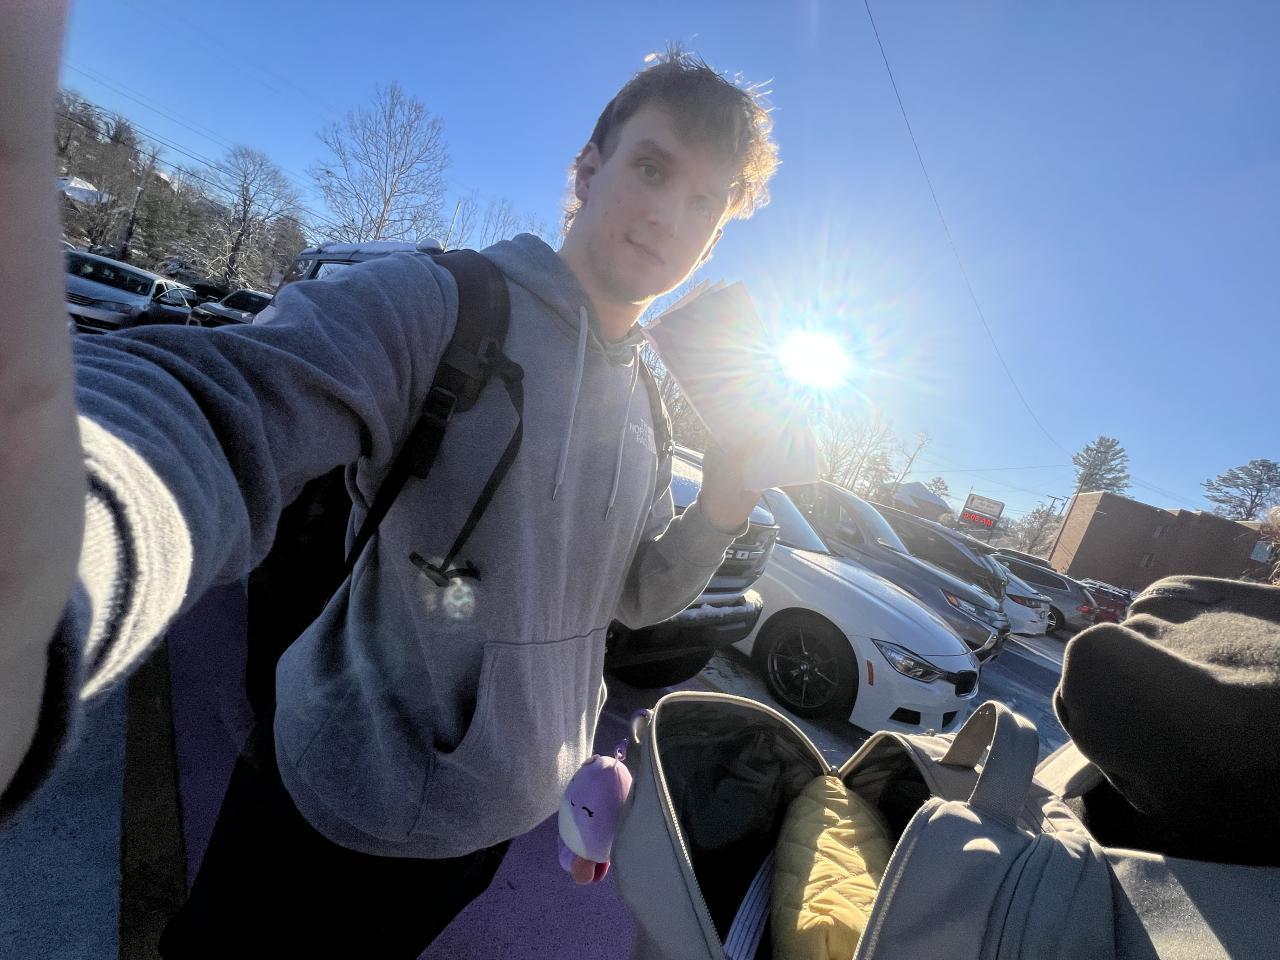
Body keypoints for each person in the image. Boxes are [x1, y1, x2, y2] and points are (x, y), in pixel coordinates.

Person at [0, 5, 780, 956]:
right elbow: (228, 397)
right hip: (331, 801)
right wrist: (55, 544)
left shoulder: (649, 408)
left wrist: (725, 501)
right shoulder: (448, 303)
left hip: (490, 827)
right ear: (588, 170)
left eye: (705, 202)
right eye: (652, 168)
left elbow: (634, 595)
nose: (669, 216)